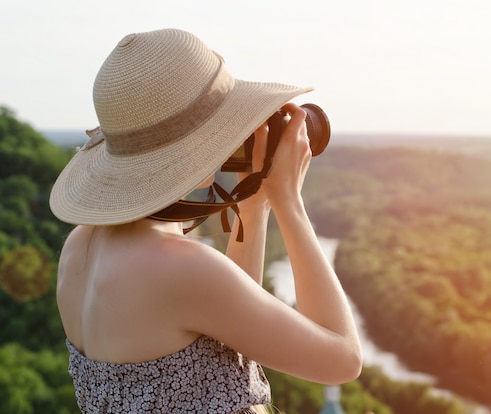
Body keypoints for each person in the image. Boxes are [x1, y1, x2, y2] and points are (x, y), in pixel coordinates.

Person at [49, 28, 362, 414]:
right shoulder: (181, 268)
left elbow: (228, 329)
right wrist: (289, 203)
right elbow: (342, 359)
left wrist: (255, 209)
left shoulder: (80, 248)